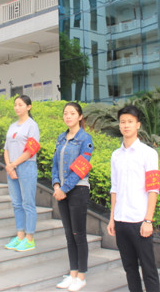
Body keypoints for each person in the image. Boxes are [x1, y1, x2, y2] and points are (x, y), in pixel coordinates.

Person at [107, 105, 160, 292]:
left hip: (139, 221)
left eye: (130, 121)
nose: (126, 125)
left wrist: (148, 220)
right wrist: (112, 218)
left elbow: (153, 188)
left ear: (138, 125)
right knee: (129, 269)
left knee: (148, 269)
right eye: (123, 122)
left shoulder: (149, 153)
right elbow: (114, 188)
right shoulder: (116, 155)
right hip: (121, 220)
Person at [52, 102, 94, 292]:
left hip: (78, 190)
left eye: (72, 113)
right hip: (62, 191)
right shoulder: (61, 138)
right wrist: (56, 185)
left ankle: (81, 276)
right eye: (65, 113)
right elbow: (55, 164)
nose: (68, 116)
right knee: (69, 235)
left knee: (79, 234)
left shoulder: (85, 139)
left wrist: (64, 188)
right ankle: (73, 273)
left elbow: (81, 167)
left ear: (80, 116)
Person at [3, 95, 40, 252]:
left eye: (21, 105)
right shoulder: (12, 126)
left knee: (28, 202)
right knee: (16, 203)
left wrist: (14, 165)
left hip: (26, 166)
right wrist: (9, 166)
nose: (17, 107)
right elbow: (6, 148)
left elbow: (31, 150)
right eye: (15, 105)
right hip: (11, 168)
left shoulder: (32, 126)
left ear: (28, 107)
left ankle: (29, 238)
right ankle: (20, 235)